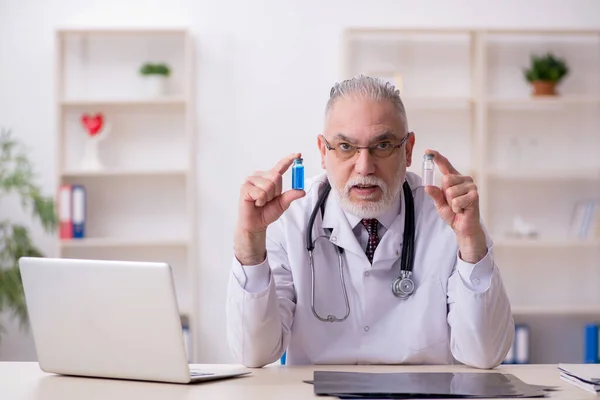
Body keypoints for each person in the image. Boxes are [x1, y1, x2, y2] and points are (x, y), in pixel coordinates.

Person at [226, 75, 514, 369]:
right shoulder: (291, 217)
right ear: (324, 152)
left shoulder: (450, 217)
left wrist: (471, 245)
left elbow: (484, 355)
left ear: (408, 149)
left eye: (383, 144)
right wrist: (250, 241)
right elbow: (255, 354)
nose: (364, 167)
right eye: (346, 147)